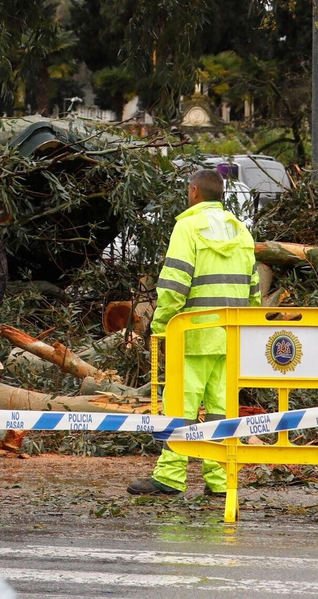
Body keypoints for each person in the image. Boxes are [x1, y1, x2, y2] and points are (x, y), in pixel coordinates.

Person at [128, 168, 260, 496]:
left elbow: (174, 285)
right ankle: (218, 480)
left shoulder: (187, 227)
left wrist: (161, 326)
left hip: (191, 336)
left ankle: (171, 477)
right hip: (230, 338)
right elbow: (254, 291)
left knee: (179, 408)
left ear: (194, 192)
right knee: (221, 410)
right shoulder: (242, 232)